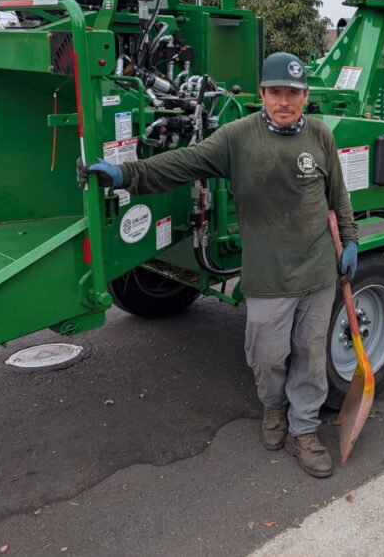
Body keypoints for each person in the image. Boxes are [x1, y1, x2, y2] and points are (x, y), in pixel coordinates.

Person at [78, 52, 358, 478]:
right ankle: (272, 409)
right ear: (262, 93)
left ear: (305, 96)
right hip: (268, 275)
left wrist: (351, 241)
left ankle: (304, 429)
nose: (285, 102)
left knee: (312, 353)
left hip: (319, 270)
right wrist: (126, 175)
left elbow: (339, 196)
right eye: (277, 93)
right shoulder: (237, 138)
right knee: (267, 356)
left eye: (294, 94)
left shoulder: (320, 136)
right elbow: (183, 163)